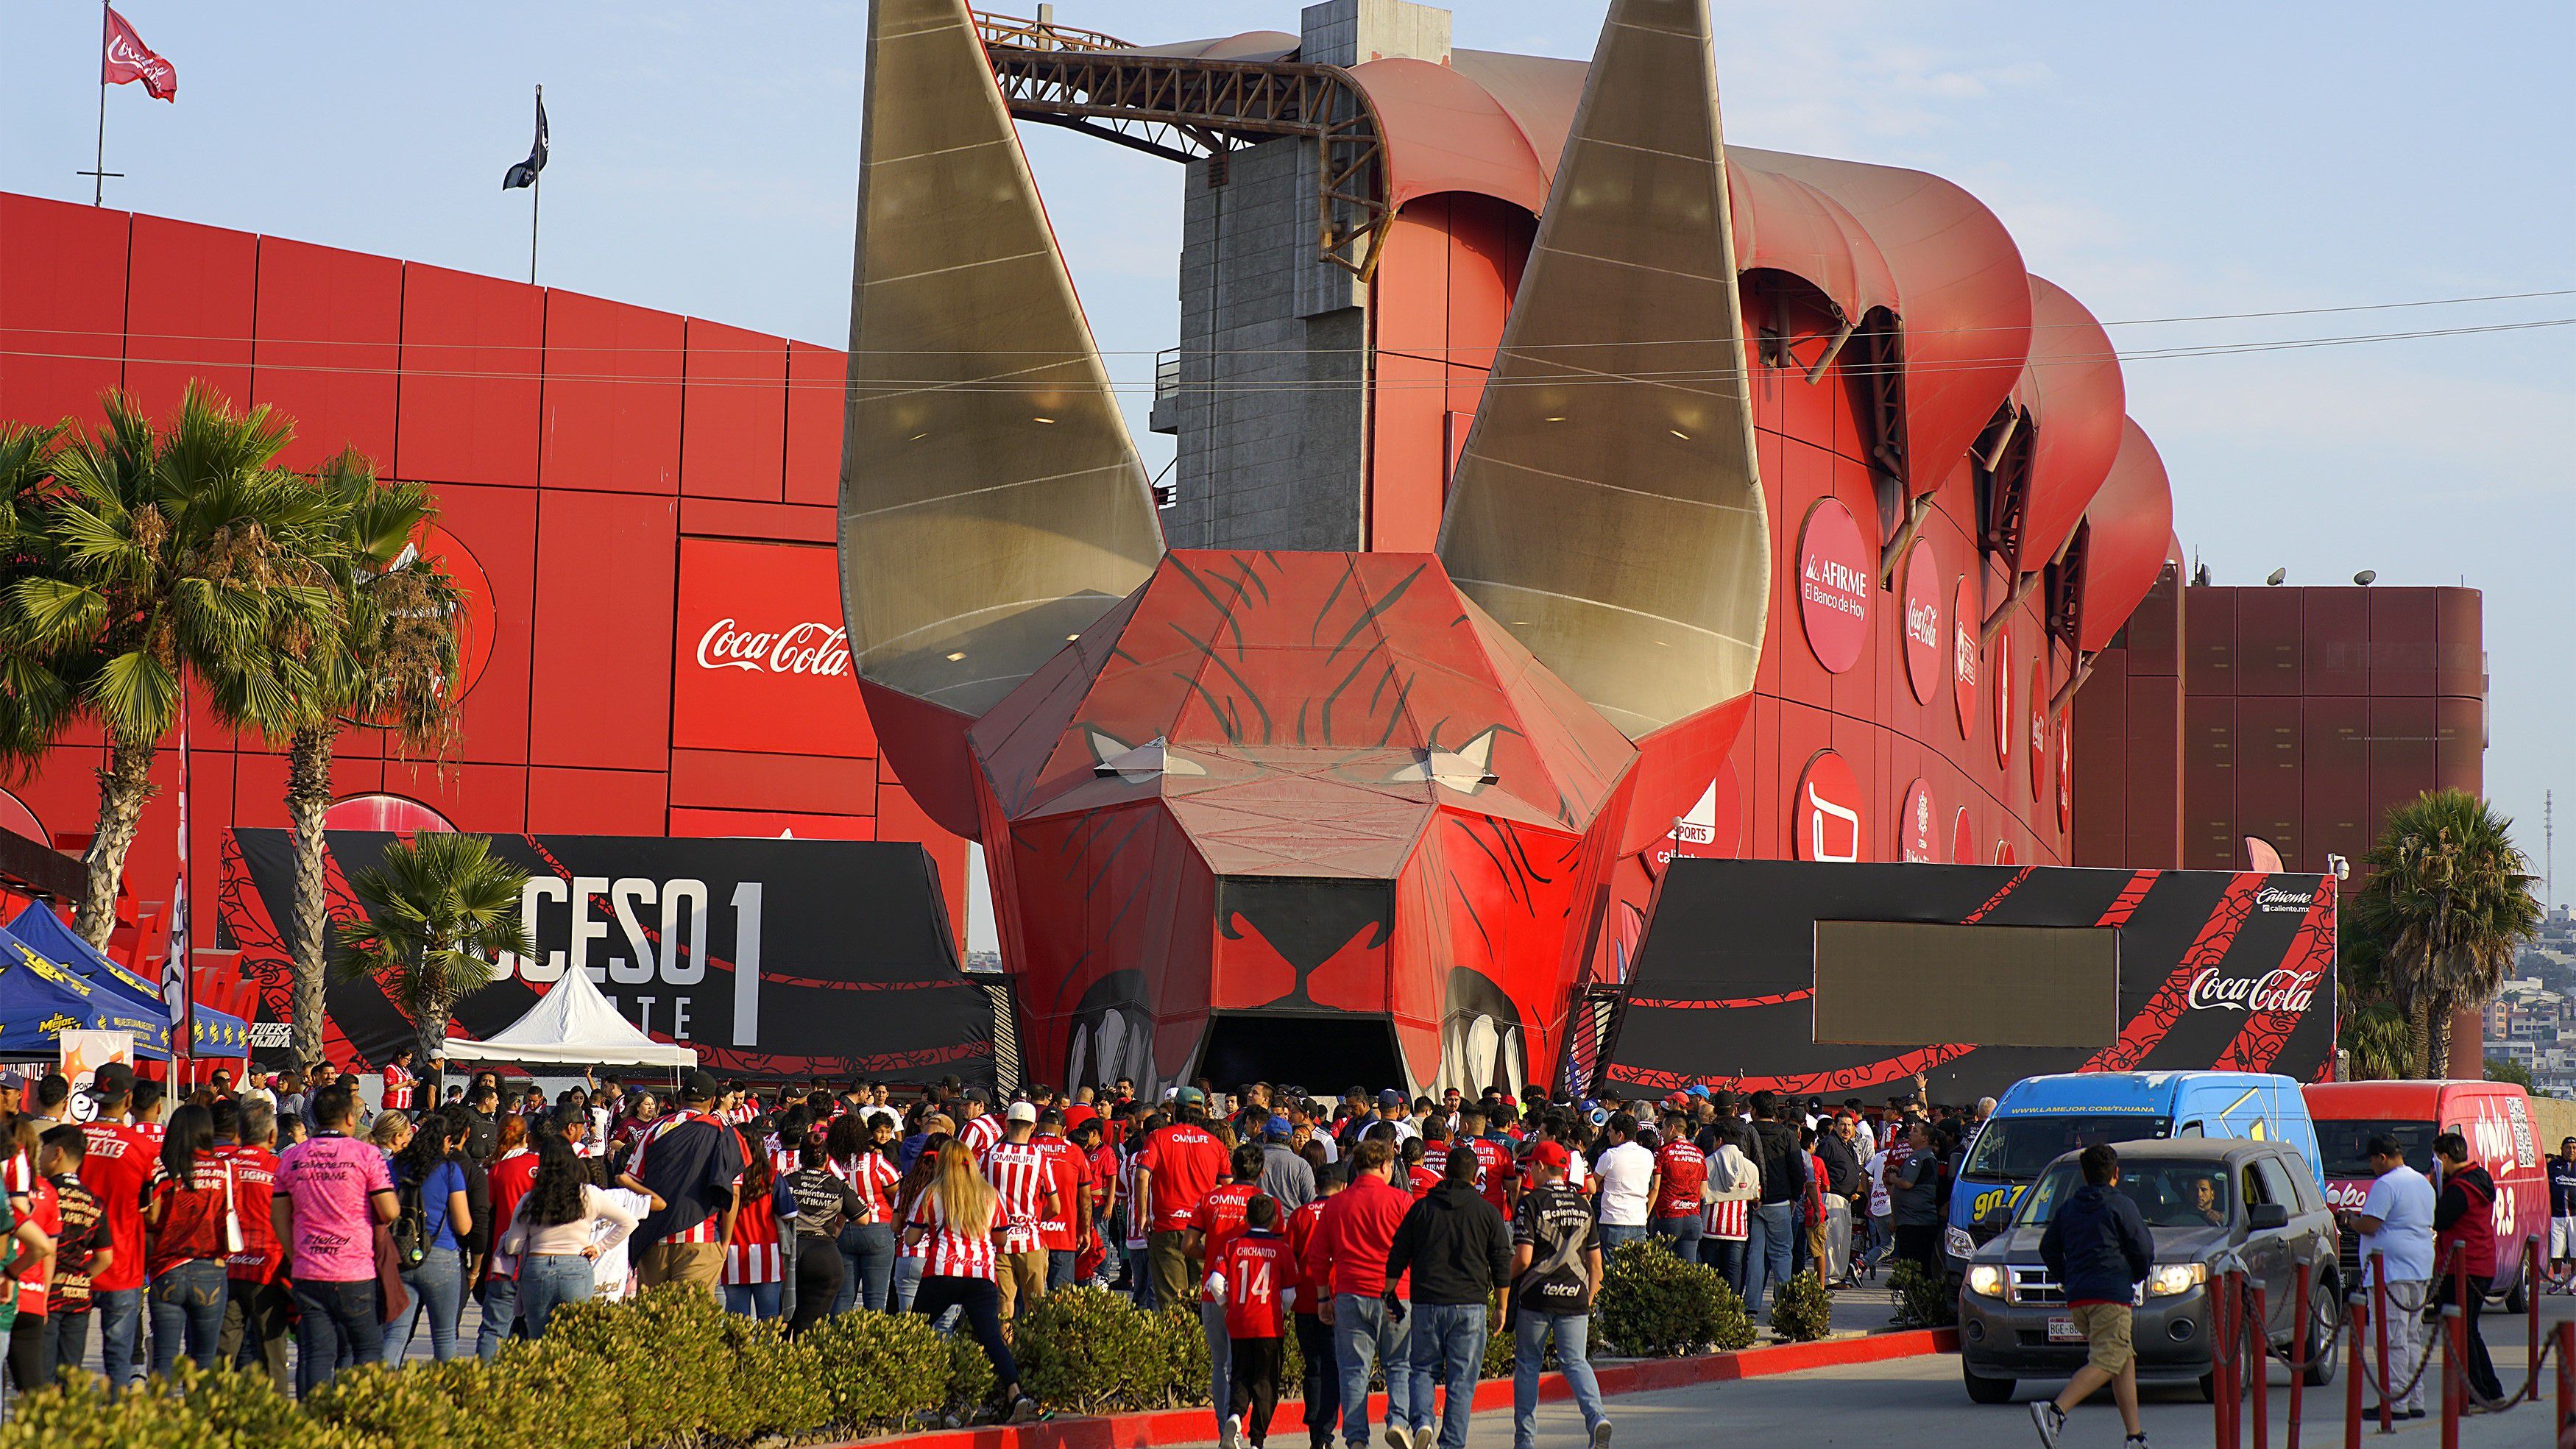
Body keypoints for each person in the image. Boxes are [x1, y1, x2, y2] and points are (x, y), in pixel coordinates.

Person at [273, 1083, 400, 1395]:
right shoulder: (367, 1155)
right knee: (367, 1350)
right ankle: (357, 1423)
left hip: (308, 1270)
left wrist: (295, 1254)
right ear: (349, 1118)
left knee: (316, 1353)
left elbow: (278, 1216)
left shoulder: (291, 1158)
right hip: (355, 1272)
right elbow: (388, 1211)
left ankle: (312, 1425)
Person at [903, 1138, 1041, 1423]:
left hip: (942, 1271)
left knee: (912, 1331)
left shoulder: (932, 1193)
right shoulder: (989, 1194)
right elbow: (1001, 1238)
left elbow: (912, 1237)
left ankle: (901, 1396)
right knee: (992, 1338)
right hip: (981, 1274)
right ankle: (1016, 1393)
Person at [2029, 1144, 2153, 1449]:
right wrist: (2135, 1275)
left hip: (2079, 1298)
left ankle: (2134, 1435)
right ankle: (2055, 1410)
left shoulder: (2069, 1207)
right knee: (2108, 1360)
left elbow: (2048, 1248)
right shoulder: (2120, 1205)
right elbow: (2144, 1248)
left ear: (2083, 1174)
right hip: (2111, 1296)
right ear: (2116, 1174)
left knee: (2123, 1359)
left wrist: (2068, 1277)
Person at [1387, 1146, 1512, 1449]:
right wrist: (1502, 1307)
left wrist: (1389, 1295)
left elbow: (1397, 1255)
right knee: (1461, 1379)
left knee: (1422, 1370)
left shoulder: (1422, 1209)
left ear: (1444, 1173)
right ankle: (1452, 1443)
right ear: (1477, 1176)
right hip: (1470, 1304)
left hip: (1427, 1302)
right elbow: (1501, 1261)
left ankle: (1423, 1423)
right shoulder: (1487, 1212)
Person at [1306, 1136, 1414, 1449]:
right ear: (1384, 1166)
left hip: (1351, 1293)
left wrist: (1324, 1298)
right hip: (1396, 1295)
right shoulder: (1402, 1202)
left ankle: (1356, 1438)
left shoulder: (1337, 1203)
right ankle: (1397, 1421)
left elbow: (1318, 1256)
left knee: (1354, 1370)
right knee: (1398, 1366)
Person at [1510, 1140, 1610, 1449]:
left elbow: (1524, 1258)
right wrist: (1587, 1299)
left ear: (1541, 1167)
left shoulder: (1531, 1203)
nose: (1528, 1171)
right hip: (1576, 1296)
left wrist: (1500, 1280)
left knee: (1528, 1364)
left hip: (1537, 1296)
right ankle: (1596, 1419)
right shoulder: (1583, 1204)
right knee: (1576, 1362)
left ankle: (1525, 1441)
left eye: (1530, 1165)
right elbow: (1597, 1267)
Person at [498, 1133, 640, 1336]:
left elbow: (513, 1246)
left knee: (538, 1338)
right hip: (576, 1267)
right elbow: (629, 1222)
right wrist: (600, 1246)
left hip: (537, 1269)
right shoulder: (588, 1194)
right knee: (574, 1338)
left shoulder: (531, 1198)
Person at [2338, 1133, 2435, 1420]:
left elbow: (2370, 1225)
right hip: (2419, 1266)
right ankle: (2415, 1399)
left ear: (2382, 1157)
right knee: (2412, 1336)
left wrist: (2350, 1220)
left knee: (2391, 1337)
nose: (2371, 1167)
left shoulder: (2386, 1184)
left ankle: (2395, 1402)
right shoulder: (2422, 1182)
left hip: (2390, 1271)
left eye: (2371, 1161)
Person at [623, 1071, 747, 1297]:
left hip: (653, 1240)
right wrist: (725, 1243)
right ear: (713, 1101)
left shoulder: (654, 1128)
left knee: (651, 1321)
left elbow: (631, 1181)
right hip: (700, 1238)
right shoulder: (723, 1132)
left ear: (681, 1098)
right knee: (691, 1322)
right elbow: (734, 1193)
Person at [77, 1061, 154, 1395]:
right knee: (119, 1361)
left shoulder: (74, 1140)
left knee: (67, 1363)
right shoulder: (141, 1148)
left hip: (75, 1266)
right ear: (128, 1101)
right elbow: (150, 1211)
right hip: (123, 1265)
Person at [383, 1108, 474, 1363]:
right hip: (441, 1256)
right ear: (446, 1140)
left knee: (396, 1333)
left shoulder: (394, 1166)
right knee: (444, 1337)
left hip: (400, 1255)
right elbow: (464, 1225)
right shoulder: (449, 1171)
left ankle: (377, 1388)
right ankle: (448, 1395)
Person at [1211, 1194, 1296, 1449]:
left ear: (1246, 1219)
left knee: (1240, 1375)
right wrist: (1281, 1311)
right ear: (1274, 1221)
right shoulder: (1282, 1251)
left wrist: (1228, 1306)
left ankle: (1235, 1416)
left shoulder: (1233, 1246)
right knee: (1266, 1384)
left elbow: (1215, 1283)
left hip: (1239, 1323)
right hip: (1269, 1325)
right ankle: (1257, 1441)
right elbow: (1290, 1294)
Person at [218, 1100, 291, 1391]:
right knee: (273, 1355)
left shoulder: (222, 1166)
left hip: (226, 1269)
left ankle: (215, 1417)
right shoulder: (280, 1168)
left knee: (223, 1354)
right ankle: (275, 1423)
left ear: (239, 1131)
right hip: (268, 1271)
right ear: (272, 1137)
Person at [1139, 1088, 1230, 1307]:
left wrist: (1142, 1216)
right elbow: (1228, 1187)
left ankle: (1180, 1341)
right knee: (1204, 1301)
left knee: (1173, 1305)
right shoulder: (1215, 1144)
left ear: (1176, 1110)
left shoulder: (1158, 1137)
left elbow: (1142, 1175)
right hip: (1205, 1230)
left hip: (1168, 1227)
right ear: (1202, 1113)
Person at [2430, 1131, 2504, 1403]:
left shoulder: (2460, 1189)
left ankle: (2478, 1392)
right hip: (2481, 1263)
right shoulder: (2479, 1178)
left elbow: (2441, 1219)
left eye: (2438, 1158)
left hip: (2464, 1267)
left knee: (2463, 1332)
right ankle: (2491, 1390)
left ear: (2446, 1157)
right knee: (2470, 1330)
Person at [979, 1101, 1065, 1319]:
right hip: (1031, 1241)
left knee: (1004, 1306)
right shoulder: (1039, 1159)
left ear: (1007, 1123)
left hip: (997, 1240)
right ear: (1034, 1127)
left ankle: (1005, 1350)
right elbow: (1055, 1207)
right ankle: (1030, 1351)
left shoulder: (989, 1155)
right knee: (1034, 1305)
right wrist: (1035, 1220)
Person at [1287, 1163, 1345, 1449]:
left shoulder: (1300, 1215)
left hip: (1305, 1300)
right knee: (1333, 1367)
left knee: (1313, 1367)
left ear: (1316, 1188)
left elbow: (1289, 1259)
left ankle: (1315, 1433)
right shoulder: (1345, 1212)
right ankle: (1324, 1433)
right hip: (1337, 1299)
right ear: (1344, 1187)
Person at [782, 1139, 864, 1334]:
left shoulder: (785, 1182)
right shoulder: (837, 1185)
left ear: (801, 1159)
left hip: (789, 1252)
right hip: (824, 1254)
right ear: (827, 1159)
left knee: (782, 1323)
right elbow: (863, 1218)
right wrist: (839, 1224)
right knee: (811, 1326)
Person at [829, 1111, 904, 1312]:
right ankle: (873, 1341)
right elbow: (897, 1193)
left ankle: (834, 1340)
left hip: (842, 1229)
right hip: (877, 1228)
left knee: (843, 1297)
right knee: (876, 1298)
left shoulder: (833, 1165)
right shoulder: (876, 1162)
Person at [1741, 1091, 1805, 1314]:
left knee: (1755, 1254)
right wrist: (1795, 1197)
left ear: (1754, 1110)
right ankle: (1783, 1302)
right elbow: (1798, 1169)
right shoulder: (1787, 1134)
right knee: (1782, 1253)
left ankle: (1751, 1305)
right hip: (1780, 1202)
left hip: (1752, 1202)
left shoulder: (1746, 1133)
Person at [1646, 1112, 1706, 1261]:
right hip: (1693, 1217)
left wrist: (1645, 1216)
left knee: (1658, 1266)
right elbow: (1703, 1192)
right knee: (1688, 1271)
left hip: (1668, 1216)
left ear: (1671, 1128)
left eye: (1663, 1128)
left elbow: (1655, 1188)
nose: (1661, 1132)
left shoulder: (1662, 1152)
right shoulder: (1699, 1153)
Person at [1889, 1120, 1944, 1275]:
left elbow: (1907, 1183)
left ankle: (1916, 1296)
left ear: (1925, 1138)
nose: (1910, 1134)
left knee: (1914, 1266)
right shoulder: (1922, 1157)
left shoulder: (1919, 1157)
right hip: (1913, 1220)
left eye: (1915, 1132)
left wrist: (1894, 1179)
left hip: (1915, 1222)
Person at [2551, 1138, 2576, 1292]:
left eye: (2574, 1148)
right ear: (2562, 1149)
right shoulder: (2553, 1166)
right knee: (2556, 1248)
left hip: (2575, 1215)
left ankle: (2573, 1283)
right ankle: (2556, 1280)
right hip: (2557, 1215)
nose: (2571, 1150)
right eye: (2568, 1147)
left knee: (2575, 1248)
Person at [381, 1048, 417, 1116]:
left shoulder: (405, 1069)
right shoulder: (391, 1068)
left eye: (410, 1060)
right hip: (394, 1105)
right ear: (400, 1057)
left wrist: (413, 1084)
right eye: (407, 1059)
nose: (409, 1062)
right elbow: (390, 1088)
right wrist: (407, 1083)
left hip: (406, 1105)